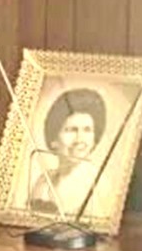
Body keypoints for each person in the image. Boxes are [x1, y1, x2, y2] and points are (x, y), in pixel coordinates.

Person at [29, 89, 107, 218]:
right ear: (54, 140)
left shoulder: (98, 184)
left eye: (87, 130)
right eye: (71, 130)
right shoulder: (44, 181)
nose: (80, 139)